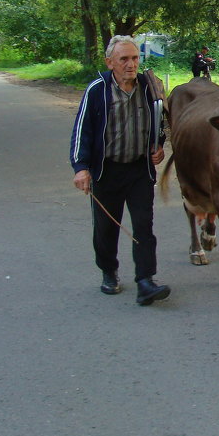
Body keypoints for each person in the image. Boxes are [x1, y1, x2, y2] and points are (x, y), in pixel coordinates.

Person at [70, 35, 171, 306]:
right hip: (107, 171)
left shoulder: (149, 86)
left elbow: (160, 121)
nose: (131, 64)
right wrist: (81, 168)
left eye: (135, 58)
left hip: (139, 170)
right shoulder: (97, 90)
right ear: (110, 62)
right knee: (105, 228)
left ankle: (145, 280)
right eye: (124, 59)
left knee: (144, 226)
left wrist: (158, 146)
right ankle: (109, 271)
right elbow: (82, 131)